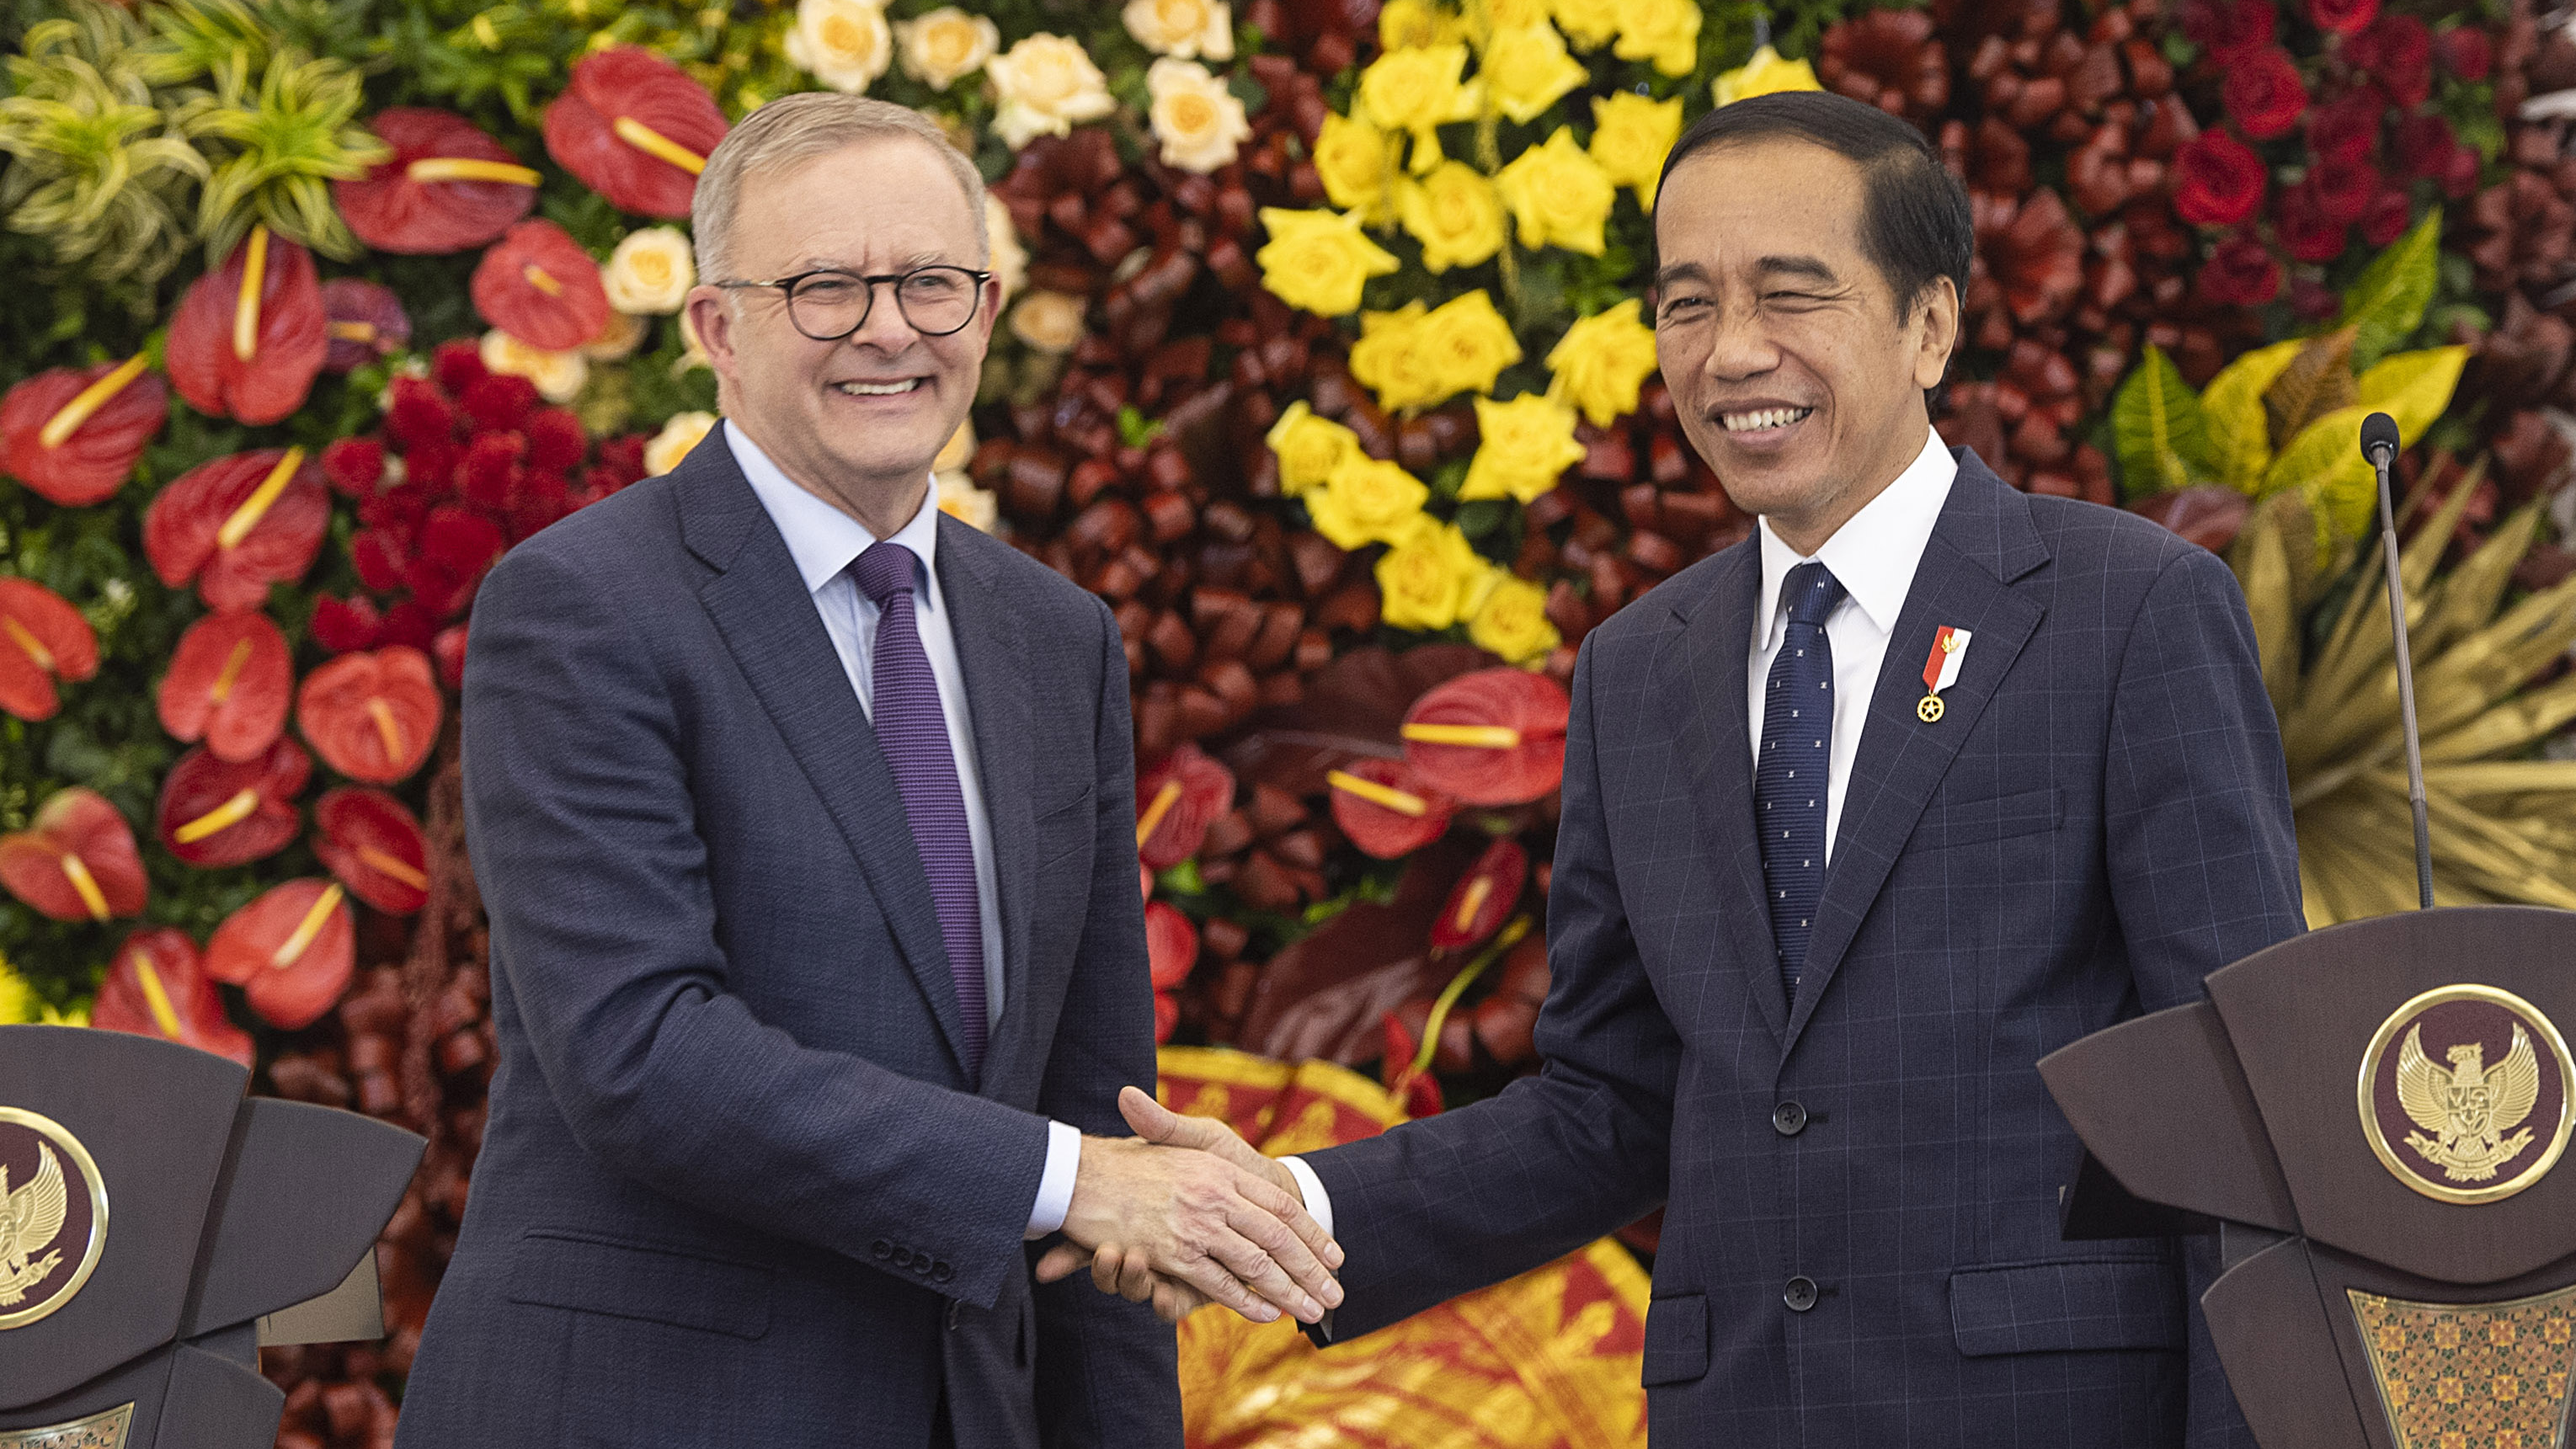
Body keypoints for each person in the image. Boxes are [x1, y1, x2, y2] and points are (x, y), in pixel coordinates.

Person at [1056, 92, 2304, 1446]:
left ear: (1930, 323)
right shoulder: (1639, 669)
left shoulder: (2127, 610)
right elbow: (1613, 1105)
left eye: (1791, 295)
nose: (1731, 354)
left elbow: (2235, 1099)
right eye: (1687, 305)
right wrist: (1294, 1209)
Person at [395, 94, 1341, 1449]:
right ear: (717, 329)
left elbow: (1096, 1100)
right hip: (650, 1412)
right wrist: (1070, 1181)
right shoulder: (582, 606)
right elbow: (640, 1052)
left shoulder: (1053, 638)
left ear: (988, 310)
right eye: (825, 288)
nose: (889, 328)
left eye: (930, 284)